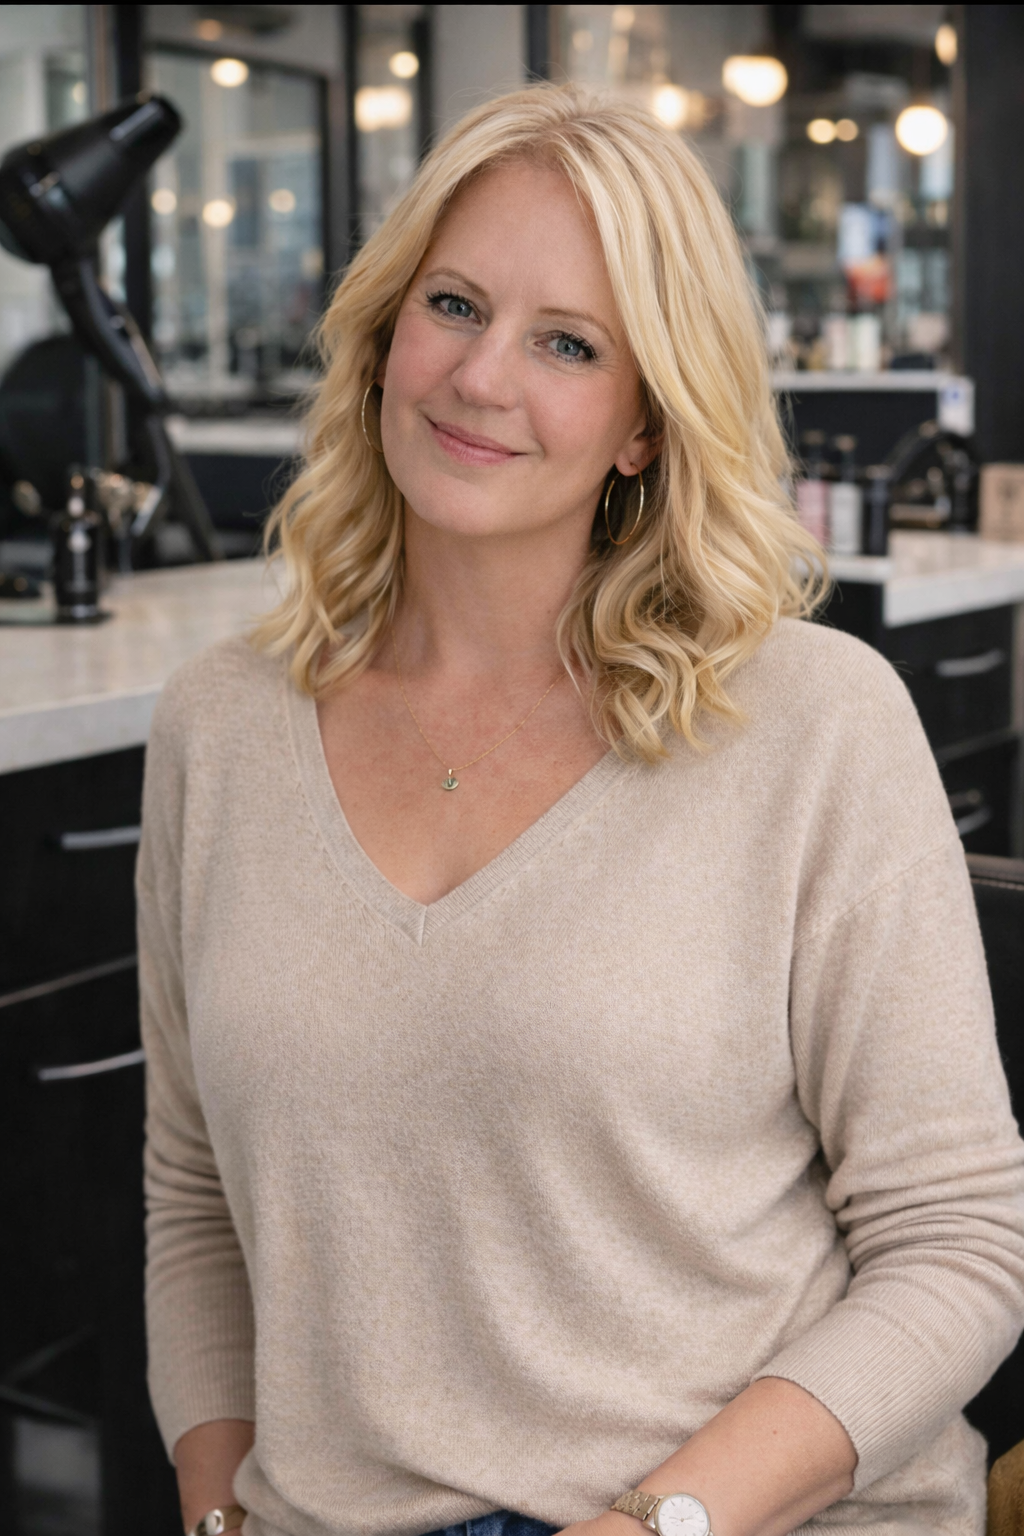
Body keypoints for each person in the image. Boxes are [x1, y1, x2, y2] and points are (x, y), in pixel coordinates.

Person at [139, 86, 1024, 1536]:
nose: (483, 376)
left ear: (641, 424)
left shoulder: (814, 724)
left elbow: (959, 1247)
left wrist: (655, 1526)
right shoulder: (220, 726)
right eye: (454, 304)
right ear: (381, 335)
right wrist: (219, 1515)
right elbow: (195, 1202)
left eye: (567, 344)